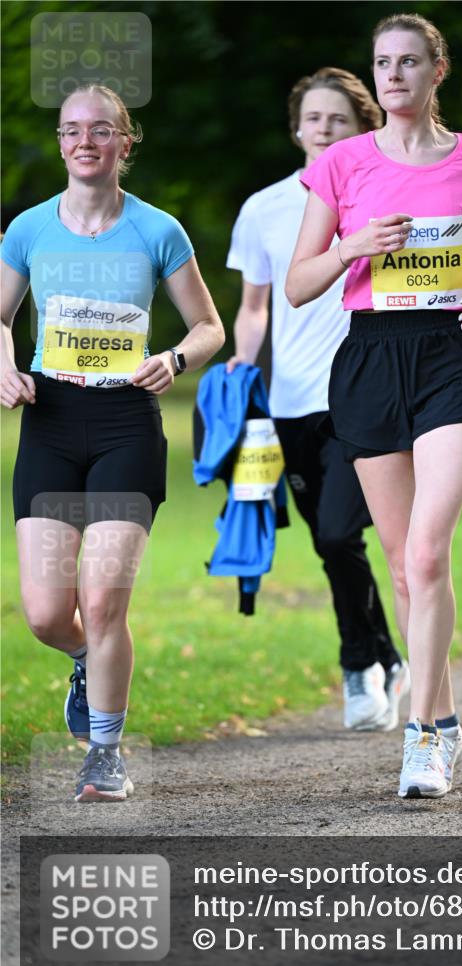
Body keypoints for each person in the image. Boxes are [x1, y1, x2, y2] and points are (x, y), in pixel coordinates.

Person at [286, 14, 462, 797]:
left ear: (436, 70)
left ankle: (420, 739)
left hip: (453, 354)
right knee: (402, 566)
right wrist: (352, 247)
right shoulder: (344, 162)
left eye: (409, 62)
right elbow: (298, 282)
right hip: (372, 355)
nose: (394, 75)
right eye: (382, 63)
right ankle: (446, 723)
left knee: (425, 554)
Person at [0, 85, 225, 802]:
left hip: (127, 422)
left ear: (126, 143)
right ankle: (83, 662)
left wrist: (176, 359)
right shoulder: (29, 229)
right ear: (61, 143)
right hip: (51, 422)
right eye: (71, 130)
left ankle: (104, 752)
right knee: (45, 613)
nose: (85, 141)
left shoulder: (159, 230)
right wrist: (4, 365)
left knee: (102, 604)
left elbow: (209, 327)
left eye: (101, 129)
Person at [226, 67, 408, 732]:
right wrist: (242, 365)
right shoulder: (264, 208)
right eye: (314, 118)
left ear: (362, 127)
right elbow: (253, 308)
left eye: (339, 119)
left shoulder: (388, 198)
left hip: (368, 395)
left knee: (339, 531)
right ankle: (386, 654)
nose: (324, 129)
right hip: (290, 403)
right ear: (297, 127)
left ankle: (357, 665)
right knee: (333, 542)